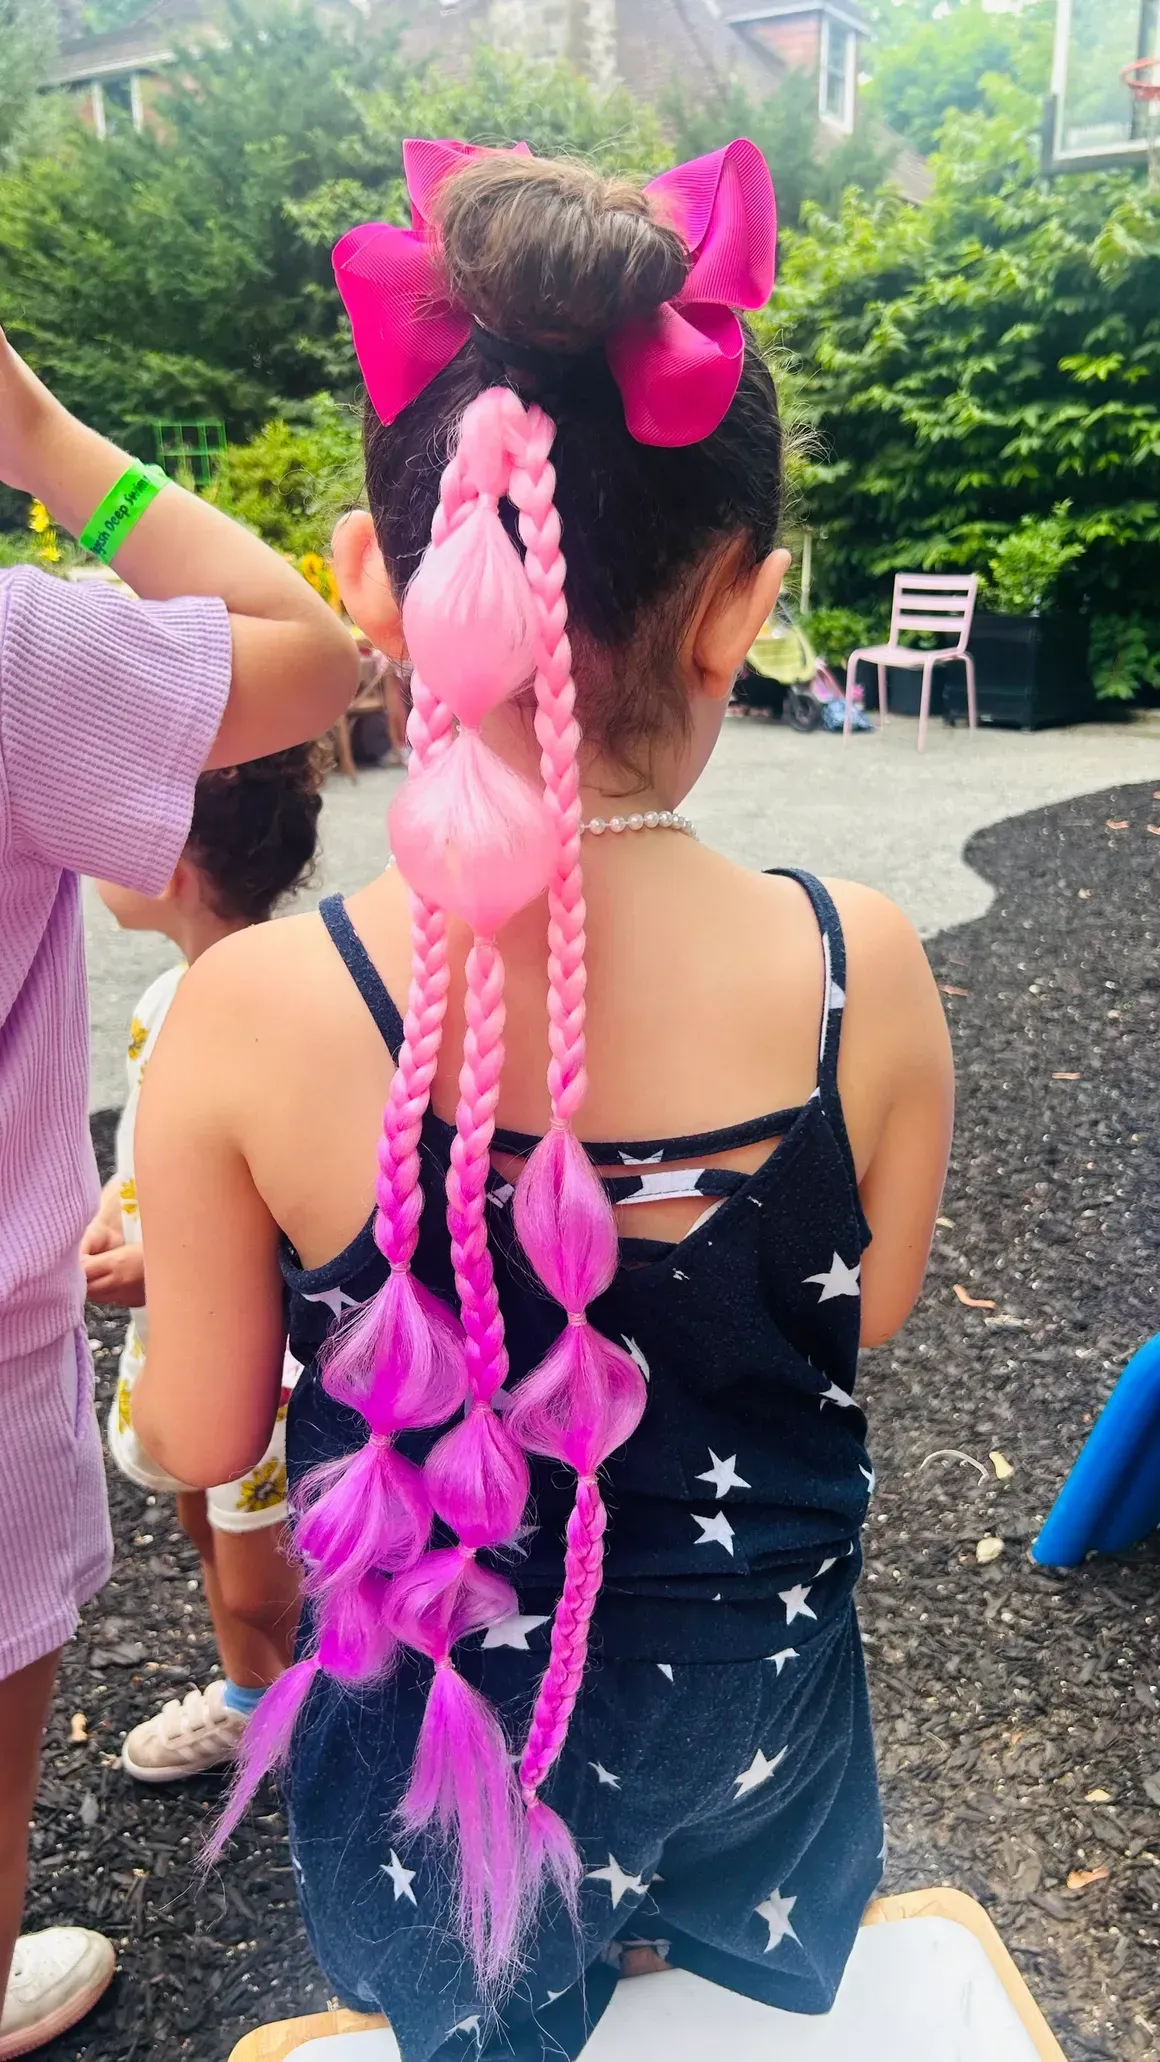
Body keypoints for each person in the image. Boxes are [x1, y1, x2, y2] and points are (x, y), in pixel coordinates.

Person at [132, 141, 953, 2062]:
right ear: (744, 602)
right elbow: (869, 1308)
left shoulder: (255, 1014)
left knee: (499, 1969)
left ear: (371, 583)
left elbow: (195, 1427)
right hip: (756, 1718)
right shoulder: (867, 968)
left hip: (448, 1774)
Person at [0, 329, 355, 2060]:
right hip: (45, 1359)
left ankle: (269, 1698)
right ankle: (256, 1694)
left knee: (250, 1553)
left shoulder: (233, 1000)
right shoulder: (17, 655)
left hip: (221, 1376)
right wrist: (51, 441)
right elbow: (318, 649)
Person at [83, 750, 322, 1783]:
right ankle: (251, 1692)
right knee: (196, 1506)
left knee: (256, 1564)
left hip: (252, 1353)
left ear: (172, 862)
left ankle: (302, 1709)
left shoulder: (275, 1015)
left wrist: (164, 1268)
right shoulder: (162, 1001)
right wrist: (109, 1208)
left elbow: (295, 1207)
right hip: (173, 1331)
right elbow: (149, 1143)